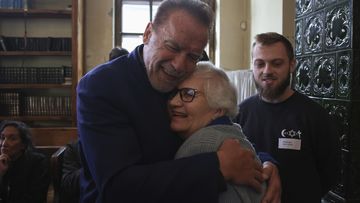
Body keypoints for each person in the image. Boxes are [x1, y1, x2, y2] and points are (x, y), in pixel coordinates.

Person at [77, 1, 280, 202]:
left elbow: (224, 130)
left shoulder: (188, 75)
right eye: (172, 47)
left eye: (192, 56)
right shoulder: (101, 86)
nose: (179, 65)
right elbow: (118, 187)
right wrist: (217, 166)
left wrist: (263, 163)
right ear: (148, 33)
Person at [235, 32, 341, 203]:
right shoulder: (239, 113)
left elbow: (330, 172)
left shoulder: (315, 115)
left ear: (292, 65)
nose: (267, 71)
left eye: (276, 63)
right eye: (260, 64)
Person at [169, 61, 266, 203]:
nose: (174, 102)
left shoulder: (200, 146)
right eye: (174, 93)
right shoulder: (233, 134)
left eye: (188, 94)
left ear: (218, 109)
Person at [0, 120, 50, 203]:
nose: (4, 144)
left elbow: (35, 198)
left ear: (23, 144)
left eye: (12, 139)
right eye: (2, 138)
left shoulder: (38, 162)